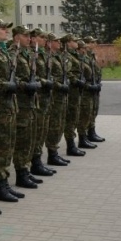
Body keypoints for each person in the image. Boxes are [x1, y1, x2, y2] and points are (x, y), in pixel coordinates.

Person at [0, 19, 23, 203]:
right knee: (1, 147)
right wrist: (6, 85)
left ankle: (5, 182)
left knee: (9, 145)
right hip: (0, 106)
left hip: (9, 106)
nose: (6, 31)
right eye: (2, 29)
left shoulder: (3, 51)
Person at [11, 25, 42, 190]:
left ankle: (25, 169)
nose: (29, 39)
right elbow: (11, 79)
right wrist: (25, 85)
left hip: (29, 103)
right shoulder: (12, 54)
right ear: (17, 37)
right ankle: (20, 172)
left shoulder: (26, 54)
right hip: (20, 104)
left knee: (29, 138)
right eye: (25, 36)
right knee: (22, 140)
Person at [29, 28, 56, 178]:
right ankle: (34, 163)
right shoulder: (32, 55)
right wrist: (46, 82)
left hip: (44, 98)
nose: (45, 40)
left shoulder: (43, 55)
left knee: (42, 130)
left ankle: (37, 161)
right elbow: (33, 77)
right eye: (41, 37)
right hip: (36, 99)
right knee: (36, 132)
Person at [45, 33, 71, 166]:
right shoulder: (47, 57)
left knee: (60, 124)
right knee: (54, 125)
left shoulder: (58, 56)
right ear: (49, 43)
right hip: (54, 96)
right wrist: (59, 85)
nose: (59, 43)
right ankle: (51, 154)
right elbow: (49, 77)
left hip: (61, 96)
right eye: (56, 41)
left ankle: (54, 152)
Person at [62, 34, 87, 158]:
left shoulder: (75, 55)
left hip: (76, 90)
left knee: (75, 115)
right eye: (73, 41)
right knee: (71, 118)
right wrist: (76, 80)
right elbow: (68, 72)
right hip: (71, 90)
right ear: (67, 43)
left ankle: (74, 143)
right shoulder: (67, 56)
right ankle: (70, 145)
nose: (76, 42)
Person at [76, 40, 98, 151]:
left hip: (91, 89)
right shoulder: (78, 60)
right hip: (84, 91)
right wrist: (89, 86)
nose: (86, 49)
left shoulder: (87, 58)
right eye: (83, 48)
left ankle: (88, 135)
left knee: (90, 113)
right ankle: (82, 138)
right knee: (84, 115)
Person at [83, 36, 105, 142]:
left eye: (94, 42)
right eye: (91, 42)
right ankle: (87, 134)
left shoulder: (92, 56)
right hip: (88, 88)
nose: (94, 44)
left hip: (95, 86)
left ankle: (92, 131)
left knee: (94, 110)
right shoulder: (84, 56)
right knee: (88, 112)